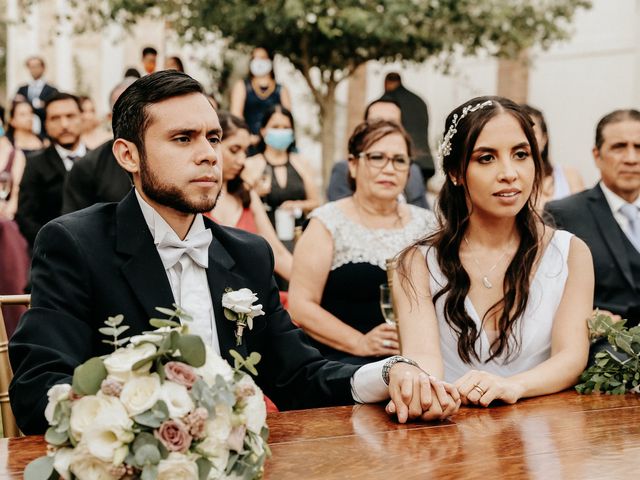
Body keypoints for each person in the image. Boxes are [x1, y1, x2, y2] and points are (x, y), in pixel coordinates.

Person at [9, 70, 460, 435]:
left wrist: (388, 373)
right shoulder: (75, 244)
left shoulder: (248, 255)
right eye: (183, 139)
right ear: (128, 155)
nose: (209, 155)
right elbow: (38, 388)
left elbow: (298, 376)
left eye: (213, 137)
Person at [394, 96, 593, 407]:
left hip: (545, 431)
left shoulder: (571, 253)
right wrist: (429, 395)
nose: (509, 173)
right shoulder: (417, 262)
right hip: (447, 430)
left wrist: (512, 386)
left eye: (521, 154)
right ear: (456, 172)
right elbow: (422, 359)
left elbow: (571, 357)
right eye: (486, 158)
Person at [289, 120, 436, 366]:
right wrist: (360, 342)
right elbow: (301, 305)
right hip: (343, 362)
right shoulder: (326, 223)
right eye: (377, 157)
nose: (389, 169)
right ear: (354, 165)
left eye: (400, 160)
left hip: (420, 362)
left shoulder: (428, 225)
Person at [545, 109, 640, 326]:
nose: (631, 159)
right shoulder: (563, 214)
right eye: (619, 147)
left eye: (638, 147)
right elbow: (548, 296)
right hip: (602, 349)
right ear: (597, 155)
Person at [208, 112, 292, 280]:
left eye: (245, 151)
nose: (242, 160)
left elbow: (278, 253)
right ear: (212, 145)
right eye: (234, 150)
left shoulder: (248, 195)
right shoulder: (193, 197)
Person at [327, 96, 428, 209]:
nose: (384, 129)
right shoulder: (344, 169)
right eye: (376, 123)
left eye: (392, 123)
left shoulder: (414, 171)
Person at [16, 92, 86, 248]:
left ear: (82, 118)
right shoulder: (36, 164)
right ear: (45, 124)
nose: (64, 124)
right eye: (55, 118)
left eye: (70, 116)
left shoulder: (100, 161)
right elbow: (25, 216)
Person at [243, 105, 320, 243]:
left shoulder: (302, 163)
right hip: (261, 239)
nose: (281, 131)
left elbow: (316, 202)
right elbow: (239, 203)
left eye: (285, 127)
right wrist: (254, 193)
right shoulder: (250, 164)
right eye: (276, 127)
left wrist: (298, 205)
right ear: (263, 131)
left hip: (299, 238)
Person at [62, 79, 135, 214]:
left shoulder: (173, 158)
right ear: (110, 117)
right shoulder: (87, 166)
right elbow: (76, 224)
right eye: (126, 111)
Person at [522, 105, 584, 208]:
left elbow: (581, 218)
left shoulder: (569, 176)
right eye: (521, 132)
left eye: (532, 132)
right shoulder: (506, 181)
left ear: (544, 140)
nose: (525, 140)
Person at [230, 47, 291, 147]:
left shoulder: (281, 90)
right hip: (249, 143)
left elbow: (287, 119)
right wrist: (248, 137)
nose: (258, 62)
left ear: (270, 61)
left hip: (274, 143)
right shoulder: (241, 86)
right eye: (255, 58)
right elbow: (236, 117)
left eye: (262, 58)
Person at [383, 72, 434, 181]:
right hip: (425, 161)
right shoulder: (419, 100)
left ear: (387, 83)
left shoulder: (388, 101)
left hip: (403, 161)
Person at [16, 56, 58, 136]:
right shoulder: (22, 89)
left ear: (43, 68)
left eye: (36, 66)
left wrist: (26, 102)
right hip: (24, 133)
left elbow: (51, 111)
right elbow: (16, 107)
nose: (34, 69)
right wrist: (37, 104)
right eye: (31, 67)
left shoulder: (52, 90)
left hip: (46, 133)